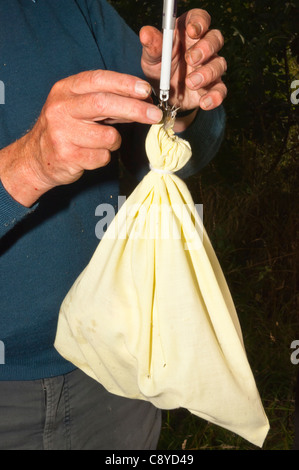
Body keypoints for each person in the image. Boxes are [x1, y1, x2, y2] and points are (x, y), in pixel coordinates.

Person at [0, 0, 227, 450]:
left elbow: (177, 150)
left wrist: (183, 105)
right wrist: (25, 165)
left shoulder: (76, 8)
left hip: (119, 362)